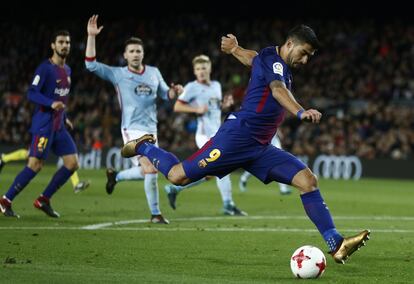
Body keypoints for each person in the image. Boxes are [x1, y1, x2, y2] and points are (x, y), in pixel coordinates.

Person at [121, 25, 370, 263]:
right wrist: (300, 111)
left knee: (307, 180)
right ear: (290, 43)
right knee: (177, 177)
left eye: (310, 56)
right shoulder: (276, 65)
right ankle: (144, 146)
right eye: (304, 53)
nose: (305, 60)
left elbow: (252, 58)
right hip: (236, 139)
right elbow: (277, 90)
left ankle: (336, 244)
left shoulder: (269, 57)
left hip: (259, 148)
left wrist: (234, 49)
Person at [84, 15, 183, 224]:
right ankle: (155, 214)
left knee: (146, 170)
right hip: (132, 129)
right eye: (132, 51)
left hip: (151, 130)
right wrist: (91, 37)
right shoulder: (118, 74)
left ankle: (116, 177)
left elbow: (167, 95)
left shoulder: (154, 73)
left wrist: (176, 91)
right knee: (151, 169)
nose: (135, 54)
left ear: (143, 54)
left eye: (138, 51)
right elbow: (91, 65)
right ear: (125, 55)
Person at [0, 30, 81, 218]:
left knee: (72, 163)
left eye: (67, 42)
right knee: (35, 165)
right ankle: (5, 200)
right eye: (61, 42)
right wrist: (51, 104)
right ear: (53, 45)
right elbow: (32, 93)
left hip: (59, 125)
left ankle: (43, 199)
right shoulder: (45, 68)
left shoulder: (67, 70)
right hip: (44, 125)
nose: (65, 45)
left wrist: (64, 115)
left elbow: (61, 97)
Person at [164, 55, 247, 216]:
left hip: (217, 132)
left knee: (209, 173)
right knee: (223, 166)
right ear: (194, 72)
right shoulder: (191, 87)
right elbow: (178, 107)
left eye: (204, 68)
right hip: (203, 134)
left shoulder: (216, 85)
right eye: (198, 69)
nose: (201, 71)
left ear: (209, 69)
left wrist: (225, 105)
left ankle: (174, 188)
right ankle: (228, 204)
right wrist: (196, 110)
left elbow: (215, 108)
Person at [0, 148, 90, 193]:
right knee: (30, 154)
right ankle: (5, 158)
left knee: (69, 158)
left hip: (54, 134)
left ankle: (76, 184)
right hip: (44, 134)